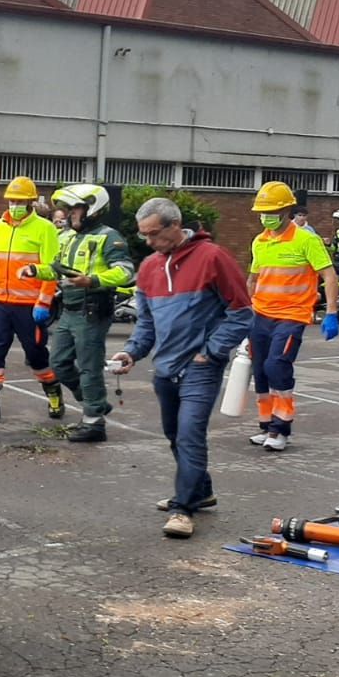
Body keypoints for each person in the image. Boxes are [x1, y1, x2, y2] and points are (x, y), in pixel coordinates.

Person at [110, 197, 251, 539]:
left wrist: (211, 352)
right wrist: (131, 353)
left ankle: (183, 509)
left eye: (154, 234)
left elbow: (242, 312)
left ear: (176, 225)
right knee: (175, 434)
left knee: (189, 435)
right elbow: (146, 323)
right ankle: (201, 491)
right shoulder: (148, 268)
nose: (149, 242)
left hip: (200, 369)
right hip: (165, 369)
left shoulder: (213, 258)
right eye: (144, 235)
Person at [245, 181, 338, 453]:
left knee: (277, 366)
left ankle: (280, 428)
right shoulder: (260, 241)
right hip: (260, 315)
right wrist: (247, 309)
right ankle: (266, 426)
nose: (265, 216)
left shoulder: (306, 239)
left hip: (291, 315)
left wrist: (331, 312)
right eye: (261, 211)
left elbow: (329, 275)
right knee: (260, 370)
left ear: (286, 210)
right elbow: (253, 279)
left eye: (270, 211)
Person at [41, 184, 135, 443]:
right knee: (59, 363)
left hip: (92, 309)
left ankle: (94, 423)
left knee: (89, 368)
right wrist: (34, 271)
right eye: (69, 210)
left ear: (91, 209)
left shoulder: (109, 237)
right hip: (69, 310)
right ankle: (97, 404)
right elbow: (56, 269)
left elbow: (126, 272)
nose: (70, 214)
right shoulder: (67, 237)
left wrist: (92, 280)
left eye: (75, 209)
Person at [0, 177, 63, 421]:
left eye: (19, 201)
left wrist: (44, 302)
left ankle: (53, 393)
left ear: (30, 202)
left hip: (30, 307)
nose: (14, 204)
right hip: (0, 303)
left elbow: (52, 269)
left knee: (37, 355)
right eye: (11, 200)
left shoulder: (45, 229)